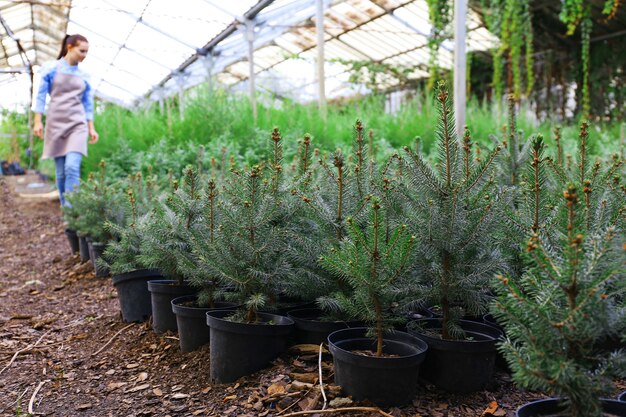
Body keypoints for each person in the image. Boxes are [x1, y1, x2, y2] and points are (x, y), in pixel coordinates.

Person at [32, 34, 99, 207]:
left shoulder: (84, 75)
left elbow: (87, 103)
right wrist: (38, 121)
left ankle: (73, 211)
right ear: (70, 47)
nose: (84, 55)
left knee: (72, 167)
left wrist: (91, 127)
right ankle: (66, 208)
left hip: (77, 124)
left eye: (87, 52)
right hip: (55, 124)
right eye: (81, 51)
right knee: (61, 173)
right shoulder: (51, 69)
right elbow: (40, 97)